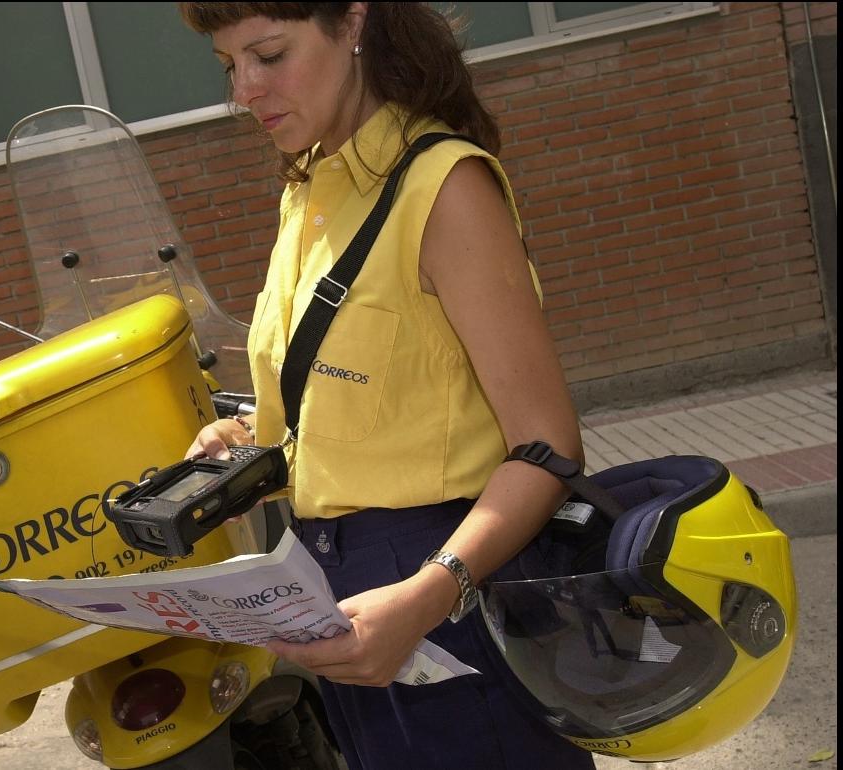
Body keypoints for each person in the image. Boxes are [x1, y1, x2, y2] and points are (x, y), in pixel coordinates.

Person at [178, 3, 596, 769]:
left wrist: (428, 595)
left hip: (449, 591)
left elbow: (546, 448)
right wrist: (246, 449)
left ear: (354, 21)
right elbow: (347, 414)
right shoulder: (309, 191)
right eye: (228, 64)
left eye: (269, 54)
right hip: (333, 593)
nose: (245, 88)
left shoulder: (445, 187)